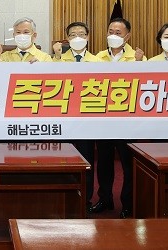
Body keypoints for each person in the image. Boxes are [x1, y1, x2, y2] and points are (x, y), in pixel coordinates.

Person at [92, 17, 145, 218]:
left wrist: (139, 64)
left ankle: (128, 204)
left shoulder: (138, 58)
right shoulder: (98, 57)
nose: (113, 36)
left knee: (128, 165)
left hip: (128, 121)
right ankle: (105, 199)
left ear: (127, 36)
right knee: (104, 163)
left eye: (118, 33)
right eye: (110, 32)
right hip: (104, 119)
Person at [52, 21, 103, 209]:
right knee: (63, 160)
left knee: (86, 160)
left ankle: (85, 200)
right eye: (73, 35)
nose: (77, 38)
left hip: (86, 121)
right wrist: (57, 57)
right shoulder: (56, 60)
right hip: (63, 120)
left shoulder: (98, 62)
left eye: (81, 34)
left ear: (88, 37)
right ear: (67, 38)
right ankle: (63, 199)